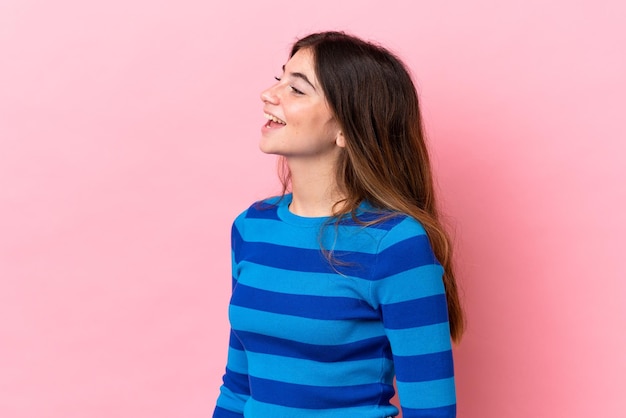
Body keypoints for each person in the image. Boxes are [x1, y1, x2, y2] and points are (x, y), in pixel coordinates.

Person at [212, 31, 464, 418]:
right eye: (279, 78)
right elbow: (238, 384)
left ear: (346, 128)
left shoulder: (394, 244)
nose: (269, 93)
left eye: (297, 90)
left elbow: (432, 411)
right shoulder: (252, 227)